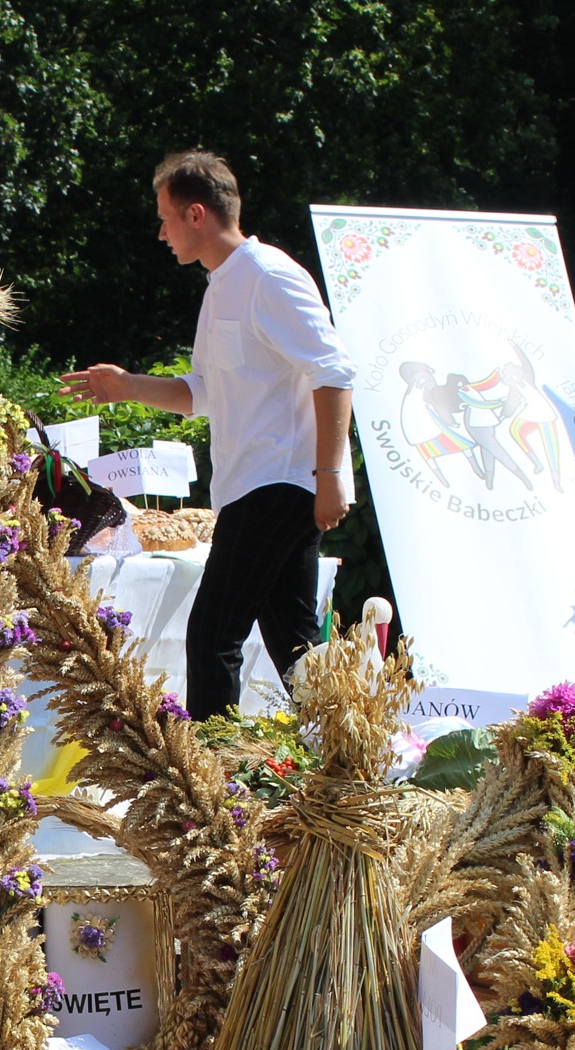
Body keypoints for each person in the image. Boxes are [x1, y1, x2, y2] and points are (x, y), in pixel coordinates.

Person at [62, 151, 355, 717]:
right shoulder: (222, 284)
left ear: (196, 214)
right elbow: (202, 393)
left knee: (213, 634)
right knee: (296, 647)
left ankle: (209, 769)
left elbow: (334, 372)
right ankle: (348, 755)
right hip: (255, 484)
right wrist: (126, 386)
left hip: (279, 482)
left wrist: (330, 475)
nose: (161, 233)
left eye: (165, 218)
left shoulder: (268, 275)